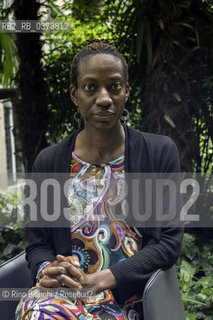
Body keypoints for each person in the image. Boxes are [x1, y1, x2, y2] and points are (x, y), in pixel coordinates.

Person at [15, 39, 183, 320]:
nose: (104, 99)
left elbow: (168, 243)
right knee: (38, 311)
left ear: (126, 91)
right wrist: (49, 269)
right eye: (90, 87)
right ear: (74, 94)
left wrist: (101, 280)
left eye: (114, 86)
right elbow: (38, 244)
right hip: (65, 297)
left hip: (130, 298)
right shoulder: (49, 162)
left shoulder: (158, 152)